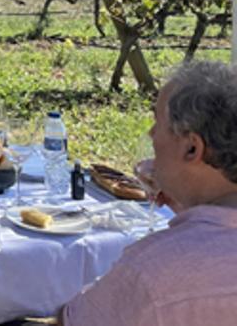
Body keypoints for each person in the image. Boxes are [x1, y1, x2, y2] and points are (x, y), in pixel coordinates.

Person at [60, 60, 237, 325]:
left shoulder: (157, 269)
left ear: (192, 148)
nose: (151, 135)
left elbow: (72, 320)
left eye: (157, 122)